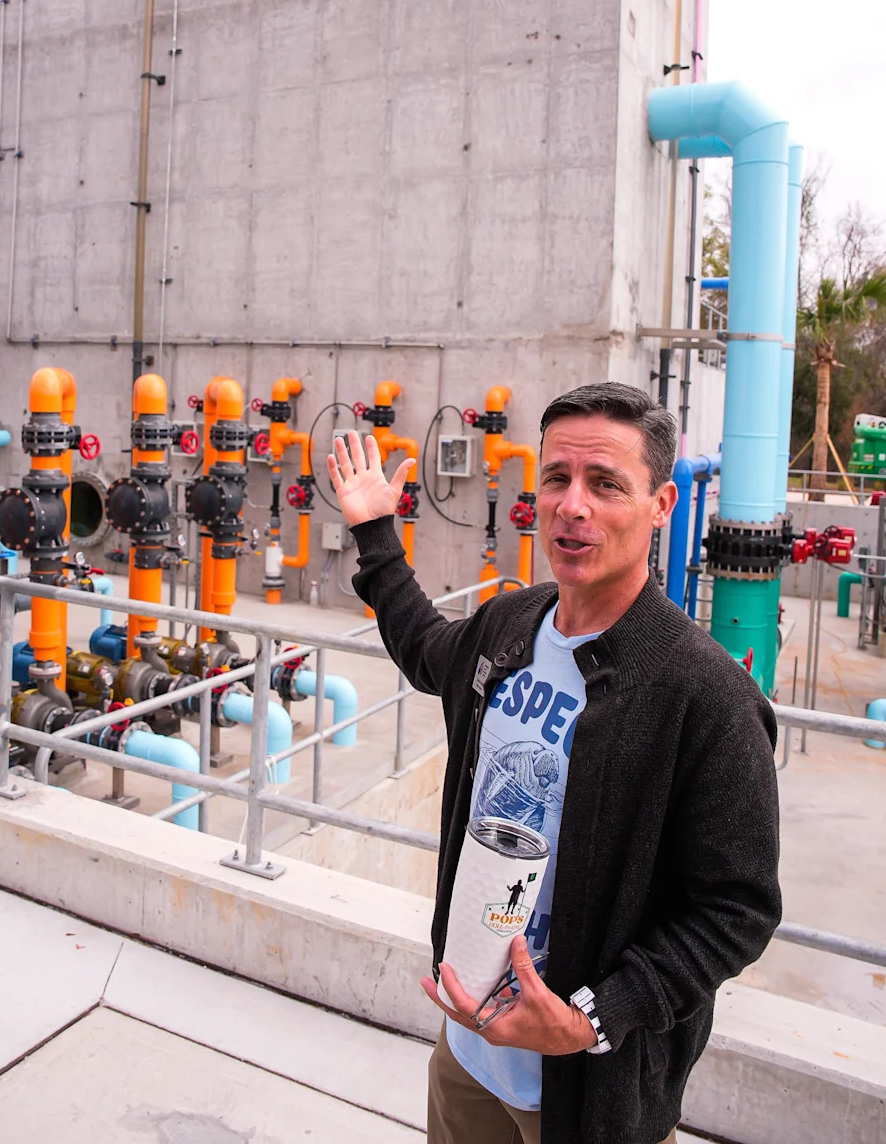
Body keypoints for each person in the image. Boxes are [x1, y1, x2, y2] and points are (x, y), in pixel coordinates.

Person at [327, 382, 781, 1144]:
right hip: (467, 1052)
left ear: (662, 505)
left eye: (606, 484)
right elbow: (424, 648)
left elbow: (738, 910)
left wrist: (587, 1021)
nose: (574, 505)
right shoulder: (510, 624)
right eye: (557, 479)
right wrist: (377, 533)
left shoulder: (703, 694)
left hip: (586, 1093)